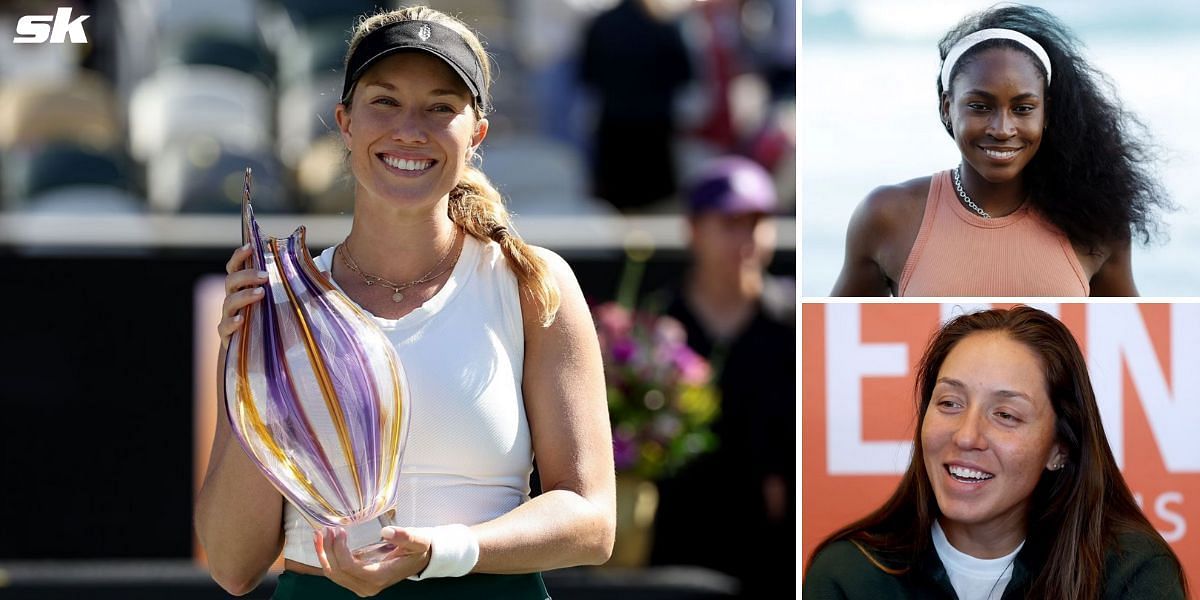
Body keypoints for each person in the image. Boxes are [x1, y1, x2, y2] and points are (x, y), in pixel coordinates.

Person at [195, 7, 616, 598]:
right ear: (345, 121)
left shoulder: (531, 282)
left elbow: (591, 521)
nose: (410, 130)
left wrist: (438, 553)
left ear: (477, 133)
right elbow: (234, 565)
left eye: (440, 107)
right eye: (384, 102)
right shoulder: (275, 305)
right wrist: (257, 361)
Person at [803, 306, 1188, 599]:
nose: (967, 436)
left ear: (1061, 448)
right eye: (950, 403)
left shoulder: (1132, 574)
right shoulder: (849, 575)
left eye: (1005, 414)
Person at [831, 5, 1171, 297]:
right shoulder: (887, 217)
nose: (1002, 129)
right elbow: (828, 348)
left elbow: (1136, 348)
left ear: (1047, 112)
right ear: (947, 107)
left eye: (1023, 109)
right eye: (980, 106)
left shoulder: (1095, 223)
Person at [648, 156, 795, 597]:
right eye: (729, 222)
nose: (746, 238)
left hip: (773, 554)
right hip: (673, 545)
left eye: (757, 221)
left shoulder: (796, 325)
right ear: (693, 230)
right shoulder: (652, 327)